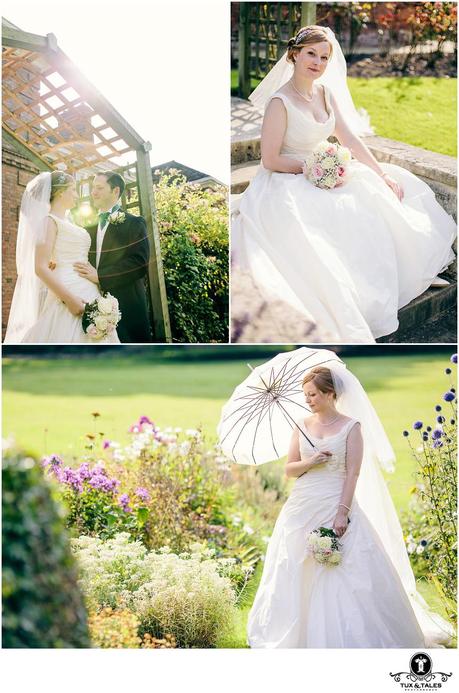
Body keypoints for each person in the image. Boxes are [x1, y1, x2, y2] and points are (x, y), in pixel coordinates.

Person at [232, 25, 456, 343]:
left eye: (324, 57)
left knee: (375, 194)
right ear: (294, 54)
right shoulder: (279, 103)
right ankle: (356, 296)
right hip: (288, 177)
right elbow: (270, 160)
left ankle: (409, 276)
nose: (318, 63)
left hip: (328, 169)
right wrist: (315, 169)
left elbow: (348, 138)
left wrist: (382, 174)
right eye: (311, 54)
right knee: (327, 218)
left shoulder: (325, 93)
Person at [247, 365, 452, 648]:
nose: (308, 400)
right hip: (302, 507)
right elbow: (290, 469)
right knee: (295, 566)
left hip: (336, 502)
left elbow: (353, 473)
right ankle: (297, 635)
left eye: (313, 394)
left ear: (330, 393)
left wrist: (342, 512)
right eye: (306, 395)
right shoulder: (301, 425)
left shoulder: (351, 427)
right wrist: (311, 461)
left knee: (344, 570)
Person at [4, 171, 119, 344]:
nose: (77, 195)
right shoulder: (48, 221)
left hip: (90, 291)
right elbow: (40, 267)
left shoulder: (70, 223)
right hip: (69, 293)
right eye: (73, 190)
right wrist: (70, 299)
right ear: (60, 192)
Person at [74, 172, 151, 343]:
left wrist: (101, 277)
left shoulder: (134, 223)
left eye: (99, 188)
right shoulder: (89, 228)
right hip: (94, 307)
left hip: (127, 306)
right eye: (93, 187)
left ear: (115, 191)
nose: (94, 192)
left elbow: (139, 263)